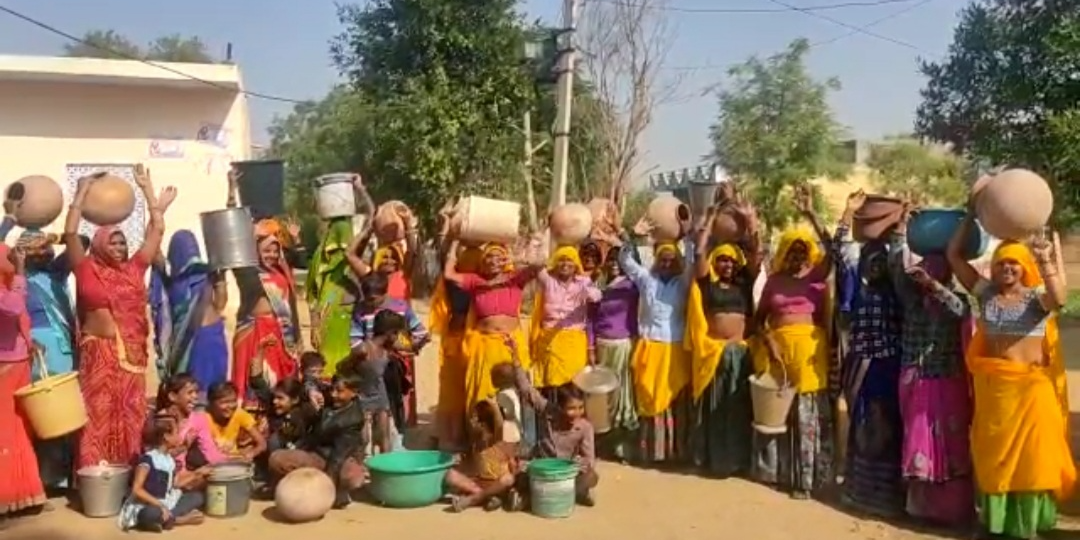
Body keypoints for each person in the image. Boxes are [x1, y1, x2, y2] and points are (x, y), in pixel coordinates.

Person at [948, 214, 1074, 540]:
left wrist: (1045, 261)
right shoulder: (985, 294)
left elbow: (1060, 297)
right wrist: (970, 214)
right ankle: (996, 525)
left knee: (1031, 462)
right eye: (1002, 263)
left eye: (1014, 264)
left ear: (1023, 268)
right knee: (995, 460)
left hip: (1032, 395)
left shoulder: (1036, 299)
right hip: (998, 397)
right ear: (994, 268)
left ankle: (1027, 527)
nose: (1007, 269)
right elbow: (953, 256)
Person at [65, 167, 173, 469]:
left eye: (122, 242)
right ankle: (93, 472)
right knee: (96, 414)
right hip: (98, 354)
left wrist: (147, 190)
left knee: (131, 412)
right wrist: (81, 192)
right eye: (112, 242)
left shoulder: (135, 269)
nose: (118, 247)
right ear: (99, 244)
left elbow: (157, 231)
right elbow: (71, 233)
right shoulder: (86, 269)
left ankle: (129, 473)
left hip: (131, 358)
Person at [751, 184, 835, 499]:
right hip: (780, 354)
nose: (797, 255)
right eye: (792, 250)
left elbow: (834, 249)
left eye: (803, 250)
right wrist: (770, 342)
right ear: (784, 253)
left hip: (812, 354)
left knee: (808, 414)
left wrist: (811, 213)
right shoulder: (774, 283)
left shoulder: (816, 278)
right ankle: (782, 474)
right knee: (781, 413)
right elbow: (758, 321)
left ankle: (808, 481)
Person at [893, 204, 975, 526]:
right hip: (917, 380)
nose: (929, 270)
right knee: (917, 443)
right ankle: (921, 509)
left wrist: (933, 286)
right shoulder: (911, 301)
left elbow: (958, 311)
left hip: (947, 380)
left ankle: (954, 511)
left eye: (936, 268)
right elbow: (895, 267)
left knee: (952, 444)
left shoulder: (959, 300)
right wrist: (902, 228)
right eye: (926, 266)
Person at [598, 217, 694, 465]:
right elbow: (625, 261)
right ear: (656, 261)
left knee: (673, 399)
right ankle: (651, 452)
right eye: (662, 259)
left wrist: (687, 235)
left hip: (674, 349)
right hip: (649, 347)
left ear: (677, 262)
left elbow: (695, 261)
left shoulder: (683, 283)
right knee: (648, 397)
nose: (666, 263)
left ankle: (674, 452)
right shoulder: (646, 280)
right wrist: (632, 235)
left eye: (671, 260)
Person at [833, 192, 904, 517]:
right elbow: (841, 249)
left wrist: (901, 229)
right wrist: (847, 213)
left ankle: (887, 496)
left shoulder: (898, 290)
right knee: (861, 423)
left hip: (887, 364)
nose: (874, 267)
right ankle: (859, 490)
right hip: (860, 364)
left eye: (880, 263)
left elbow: (901, 260)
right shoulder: (857, 288)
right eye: (870, 262)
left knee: (887, 424)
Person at [0, 207, 78, 491]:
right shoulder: (13, 278)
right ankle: (43, 477)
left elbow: (82, 242)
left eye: (46, 249)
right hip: (36, 349)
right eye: (36, 250)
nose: (44, 253)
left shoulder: (56, 272)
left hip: (64, 347)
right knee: (43, 413)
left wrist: (51, 237)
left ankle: (60, 475)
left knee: (65, 412)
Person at [685, 198, 761, 478]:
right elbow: (699, 255)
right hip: (714, 355)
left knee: (738, 407)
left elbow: (756, 254)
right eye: (723, 260)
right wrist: (711, 217)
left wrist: (750, 223)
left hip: (740, 354)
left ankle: (737, 461)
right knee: (715, 407)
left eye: (731, 260)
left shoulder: (745, 283)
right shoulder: (709, 284)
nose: (727, 264)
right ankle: (713, 461)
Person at [442, 241, 542, 416]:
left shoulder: (515, 279)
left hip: (511, 344)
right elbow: (449, 275)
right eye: (489, 256)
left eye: (498, 257)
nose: (493, 261)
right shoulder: (475, 281)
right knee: (483, 391)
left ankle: (517, 435)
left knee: (517, 389)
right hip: (485, 345)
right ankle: (483, 435)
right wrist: (454, 244)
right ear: (483, 261)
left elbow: (540, 266)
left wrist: (515, 258)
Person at [226, 171, 300, 408]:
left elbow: (300, 260)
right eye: (266, 250)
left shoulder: (281, 272)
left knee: (277, 384)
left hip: (279, 334)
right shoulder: (248, 272)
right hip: (254, 334)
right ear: (254, 250)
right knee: (254, 382)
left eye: (275, 250)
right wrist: (231, 192)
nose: (271, 254)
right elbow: (233, 236)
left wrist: (295, 241)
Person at [429, 203, 485, 451]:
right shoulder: (457, 281)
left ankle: (465, 437)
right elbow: (445, 259)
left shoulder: (484, 283)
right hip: (457, 339)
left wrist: (451, 239)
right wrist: (449, 234)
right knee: (457, 391)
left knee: (467, 390)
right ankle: (455, 437)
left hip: (473, 339)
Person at [268, 373, 367, 508]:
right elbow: (308, 381)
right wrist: (311, 392)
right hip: (316, 454)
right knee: (277, 459)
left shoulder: (353, 419)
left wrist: (326, 491)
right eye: (332, 389)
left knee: (352, 477)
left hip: (341, 459)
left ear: (354, 393)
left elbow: (337, 458)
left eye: (339, 391)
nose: (333, 394)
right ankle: (303, 488)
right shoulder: (328, 398)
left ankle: (337, 492)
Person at [150, 230, 228, 400]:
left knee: (192, 390)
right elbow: (221, 304)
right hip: (212, 336)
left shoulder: (172, 282)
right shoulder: (209, 274)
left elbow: (155, 252)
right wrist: (221, 278)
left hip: (198, 340)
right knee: (209, 390)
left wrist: (156, 214)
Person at [349, 273, 430, 432]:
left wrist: (405, 347)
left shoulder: (400, 308)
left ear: (385, 293)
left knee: (391, 403)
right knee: (370, 406)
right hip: (369, 365)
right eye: (367, 298)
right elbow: (355, 340)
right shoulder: (360, 310)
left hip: (392, 366)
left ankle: (393, 438)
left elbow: (420, 333)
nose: (369, 303)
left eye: (373, 299)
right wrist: (369, 351)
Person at [0, 244, 46, 517]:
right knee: (4, 434)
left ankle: (26, 494)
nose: (13, 258)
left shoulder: (9, 285)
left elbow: (21, 321)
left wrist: (31, 342)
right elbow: (13, 308)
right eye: (7, 255)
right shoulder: (9, 289)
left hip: (19, 366)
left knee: (22, 432)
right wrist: (19, 270)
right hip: (4, 370)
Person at [308, 175, 370, 374]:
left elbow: (372, 218)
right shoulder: (322, 266)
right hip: (328, 319)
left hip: (349, 323)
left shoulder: (353, 261)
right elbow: (313, 299)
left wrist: (360, 190)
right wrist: (314, 323)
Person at [588, 245, 639, 461]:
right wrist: (590, 347)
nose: (615, 264)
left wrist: (626, 238)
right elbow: (590, 319)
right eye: (611, 260)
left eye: (619, 260)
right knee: (601, 397)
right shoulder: (598, 287)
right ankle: (602, 443)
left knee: (621, 396)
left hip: (621, 345)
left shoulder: (631, 287)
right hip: (601, 345)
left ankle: (621, 446)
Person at [529, 245, 601, 393]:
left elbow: (597, 296)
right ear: (555, 263)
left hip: (573, 343)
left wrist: (586, 290)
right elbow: (534, 264)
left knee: (573, 386)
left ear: (576, 264)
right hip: (550, 342)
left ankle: (573, 414)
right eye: (561, 260)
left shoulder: (583, 282)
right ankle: (551, 415)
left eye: (570, 260)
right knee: (551, 387)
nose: (565, 264)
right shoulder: (548, 280)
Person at [117, 415, 206, 532]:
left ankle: (165, 519)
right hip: (148, 504)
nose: (179, 437)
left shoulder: (169, 460)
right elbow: (137, 489)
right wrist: (160, 505)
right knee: (150, 513)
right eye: (176, 433)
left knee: (197, 497)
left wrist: (197, 474)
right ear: (166, 437)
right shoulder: (147, 460)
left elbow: (175, 484)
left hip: (166, 502)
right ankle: (178, 520)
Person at [339, 309, 410, 455]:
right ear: (389, 333)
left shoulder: (385, 350)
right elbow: (341, 367)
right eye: (396, 333)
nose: (397, 337)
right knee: (363, 440)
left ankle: (386, 469)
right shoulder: (363, 350)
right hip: (362, 398)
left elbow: (409, 348)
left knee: (385, 438)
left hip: (381, 398)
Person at [444, 399, 520, 512]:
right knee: (450, 475)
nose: (472, 421)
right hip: (479, 484)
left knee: (507, 479)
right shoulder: (475, 441)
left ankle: (474, 499)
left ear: (484, 424)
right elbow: (471, 465)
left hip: (498, 485)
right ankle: (487, 497)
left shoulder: (501, 441)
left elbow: (513, 469)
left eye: (475, 418)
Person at [345, 196, 418, 302]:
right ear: (376, 259)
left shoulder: (403, 275)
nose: (389, 260)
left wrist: (408, 225)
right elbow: (349, 254)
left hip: (399, 318)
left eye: (393, 258)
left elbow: (412, 251)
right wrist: (368, 229)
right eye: (384, 257)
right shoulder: (370, 276)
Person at [155, 374, 220, 478]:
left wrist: (229, 464)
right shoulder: (162, 420)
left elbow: (211, 452)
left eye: (196, 392)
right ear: (173, 396)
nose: (195, 396)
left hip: (182, 476)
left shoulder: (198, 419)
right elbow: (156, 458)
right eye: (190, 392)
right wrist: (184, 446)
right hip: (160, 476)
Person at [204, 382, 267, 461]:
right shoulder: (203, 417)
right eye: (225, 402)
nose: (230, 406)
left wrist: (251, 453)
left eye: (233, 401)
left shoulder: (238, 414)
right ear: (211, 403)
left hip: (233, 461)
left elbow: (262, 444)